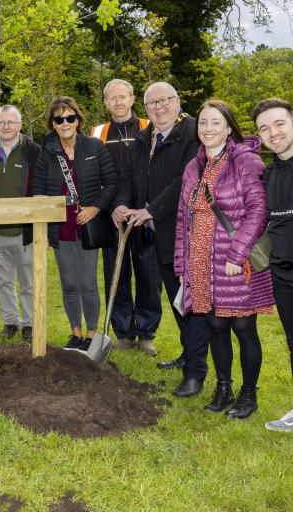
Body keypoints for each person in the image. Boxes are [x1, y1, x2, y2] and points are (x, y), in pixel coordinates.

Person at [174, 100, 273, 418]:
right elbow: (182, 219)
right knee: (215, 325)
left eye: (215, 122)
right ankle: (224, 386)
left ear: (229, 127)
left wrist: (238, 252)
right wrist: (181, 264)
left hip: (235, 260)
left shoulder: (246, 161)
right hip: (202, 260)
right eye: (203, 122)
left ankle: (248, 394)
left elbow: (259, 211)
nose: (208, 129)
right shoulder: (193, 167)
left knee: (244, 328)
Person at [114, 81, 206, 397]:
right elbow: (127, 178)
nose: (158, 107)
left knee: (190, 303)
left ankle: (196, 372)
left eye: (164, 100)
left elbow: (185, 181)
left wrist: (151, 210)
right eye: (152, 103)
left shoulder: (193, 134)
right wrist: (122, 204)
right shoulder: (144, 139)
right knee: (177, 301)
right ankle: (189, 354)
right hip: (158, 235)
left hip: (186, 233)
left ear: (177, 101)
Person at [33, 96, 117, 351]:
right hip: (61, 229)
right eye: (59, 119)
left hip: (87, 225)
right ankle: (76, 333)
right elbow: (38, 193)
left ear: (78, 120)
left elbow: (112, 182)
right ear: (53, 124)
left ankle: (92, 334)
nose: (65, 123)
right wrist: (44, 230)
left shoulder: (94, 147)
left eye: (70, 117)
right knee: (69, 283)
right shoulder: (45, 153)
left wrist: (94, 208)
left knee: (88, 282)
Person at [91, 79, 161, 355]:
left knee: (148, 275)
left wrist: (145, 207)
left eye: (123, 97)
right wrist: (111, 207)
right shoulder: (97, 132)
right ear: (105, 102)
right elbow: (93, 174)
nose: (118, 102)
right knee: (116, 275)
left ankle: (145, 332)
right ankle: (123, 332)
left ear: (133, 99)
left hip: (144, 213)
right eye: (112, 98)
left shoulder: (149, 127)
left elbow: (157, 170)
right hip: (112, 214)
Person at [0, 104, 40, 341]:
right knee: (2, 280)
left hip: (25, 231)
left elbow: (41, 188)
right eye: (1, 122)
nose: (5, 126)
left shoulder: (33, 152)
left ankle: (29, 323)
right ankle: (10, 321)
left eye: (10, 122)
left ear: (20, 125)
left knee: (28, 281)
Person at [253, 98, 293, 431]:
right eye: (264, 128)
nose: (273, 132)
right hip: (283, 274)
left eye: (279, 123)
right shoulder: (269, 174)